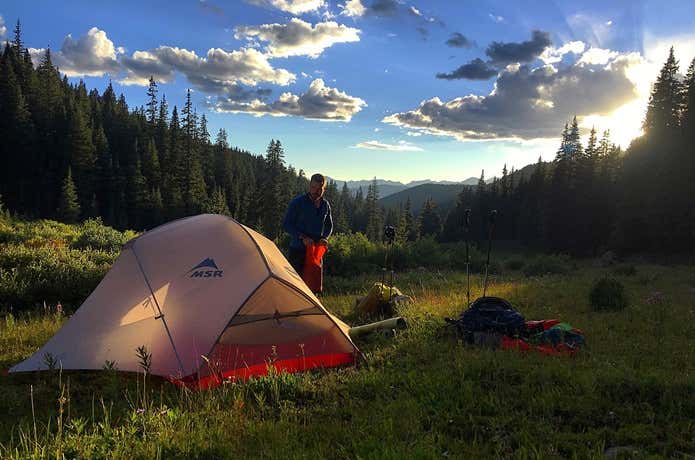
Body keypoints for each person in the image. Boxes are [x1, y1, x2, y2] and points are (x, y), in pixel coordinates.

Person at [283, 173, 333, 278]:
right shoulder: (297, 203)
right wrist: (303, 237)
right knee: (296, 283)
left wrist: (325, 238)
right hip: (298, 250)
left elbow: (329, 225)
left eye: (320, 189)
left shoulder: (325, 205)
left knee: (313, 283)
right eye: (314, 187)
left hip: (316, 251)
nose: (316, 191)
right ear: (310, 185)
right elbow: (287, 224)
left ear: (324, 189)